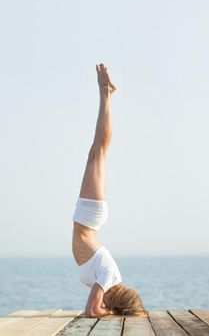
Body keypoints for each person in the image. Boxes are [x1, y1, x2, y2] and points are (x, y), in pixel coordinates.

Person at [71, 63, 145, 317]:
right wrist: (109, 312)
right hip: (90, 216)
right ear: (115, 298)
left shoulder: (108, 279)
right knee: (98, 151)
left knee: (96, 152)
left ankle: (106, 94)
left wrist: (108, 309)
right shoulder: (109, 276)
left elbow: (94, 309)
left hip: (89, 218)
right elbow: (92, 311)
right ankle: (106, 94)